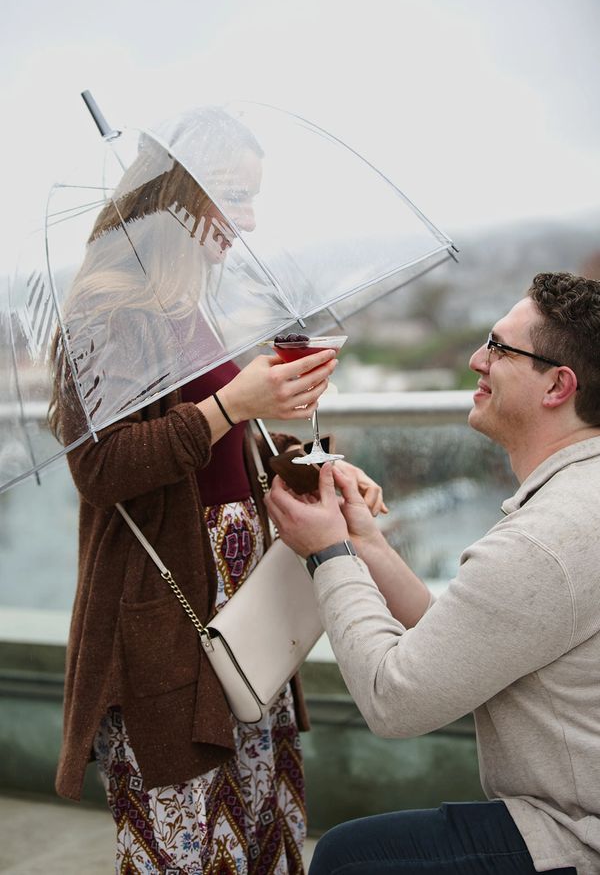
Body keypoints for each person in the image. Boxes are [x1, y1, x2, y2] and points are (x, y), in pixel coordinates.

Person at [49, 107, 385, 875]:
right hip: (169, 614)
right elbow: (101, 469)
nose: (250, 218)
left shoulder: (188, 304)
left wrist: (319, 465)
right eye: (235, 194)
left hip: (237, 606)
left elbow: (221, 448)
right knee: (186, 842)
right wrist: (236, 401)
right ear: (178, 197)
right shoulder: (108, 306)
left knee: (252, 827)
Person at [266, 272, 600, 874]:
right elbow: (461, 640)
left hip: (578, 837)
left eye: (500, 348)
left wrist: (326, 554)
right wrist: (364, 542)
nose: (477, 360)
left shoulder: (546, 540)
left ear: (557, 385)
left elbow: (395, 702)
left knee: (346, 860)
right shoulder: (579, 502)